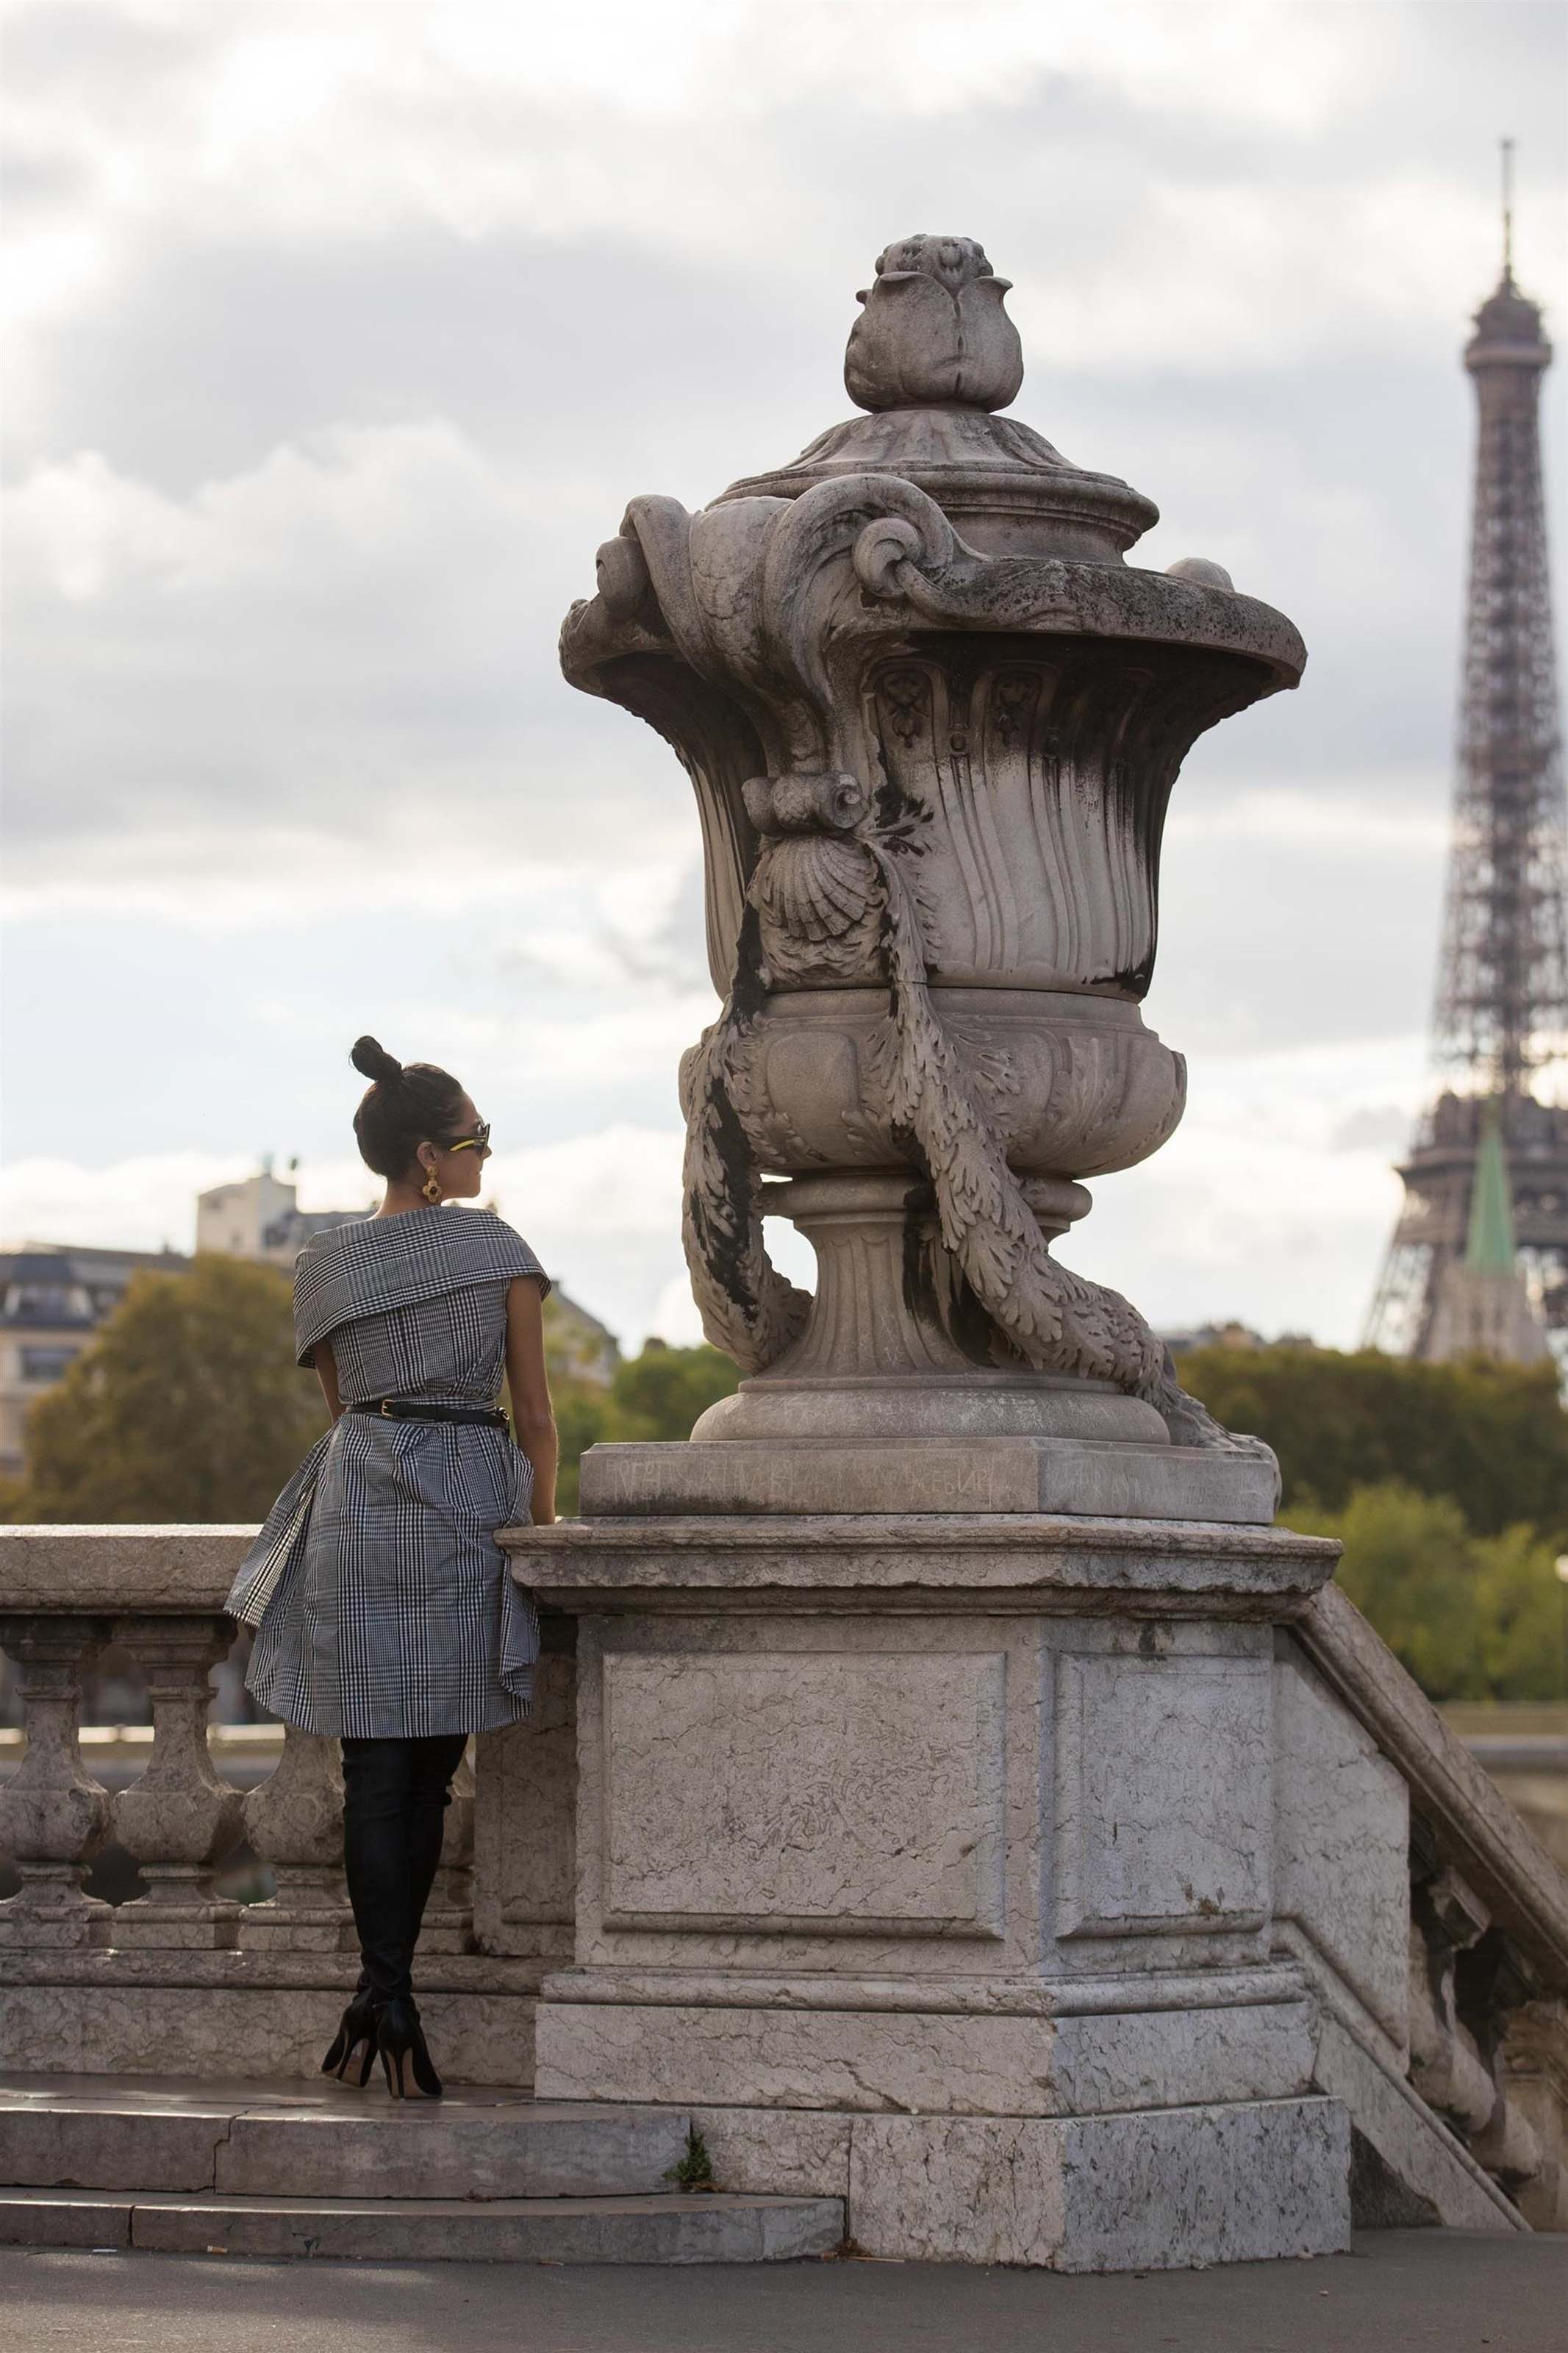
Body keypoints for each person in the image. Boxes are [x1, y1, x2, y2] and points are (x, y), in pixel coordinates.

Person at [226, 1036, 557, 2098]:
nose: (483, 1156)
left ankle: (384, 1985)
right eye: (475, 1140)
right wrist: (538, 1529)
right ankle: (390, 1985)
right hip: (468, 1495)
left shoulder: (321, 1265)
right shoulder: (497, 1249)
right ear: (427, 1155)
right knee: (427, 1768)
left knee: (374, 1766)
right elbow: (538, 1419)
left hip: (363, 1497)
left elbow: (341, 1412)